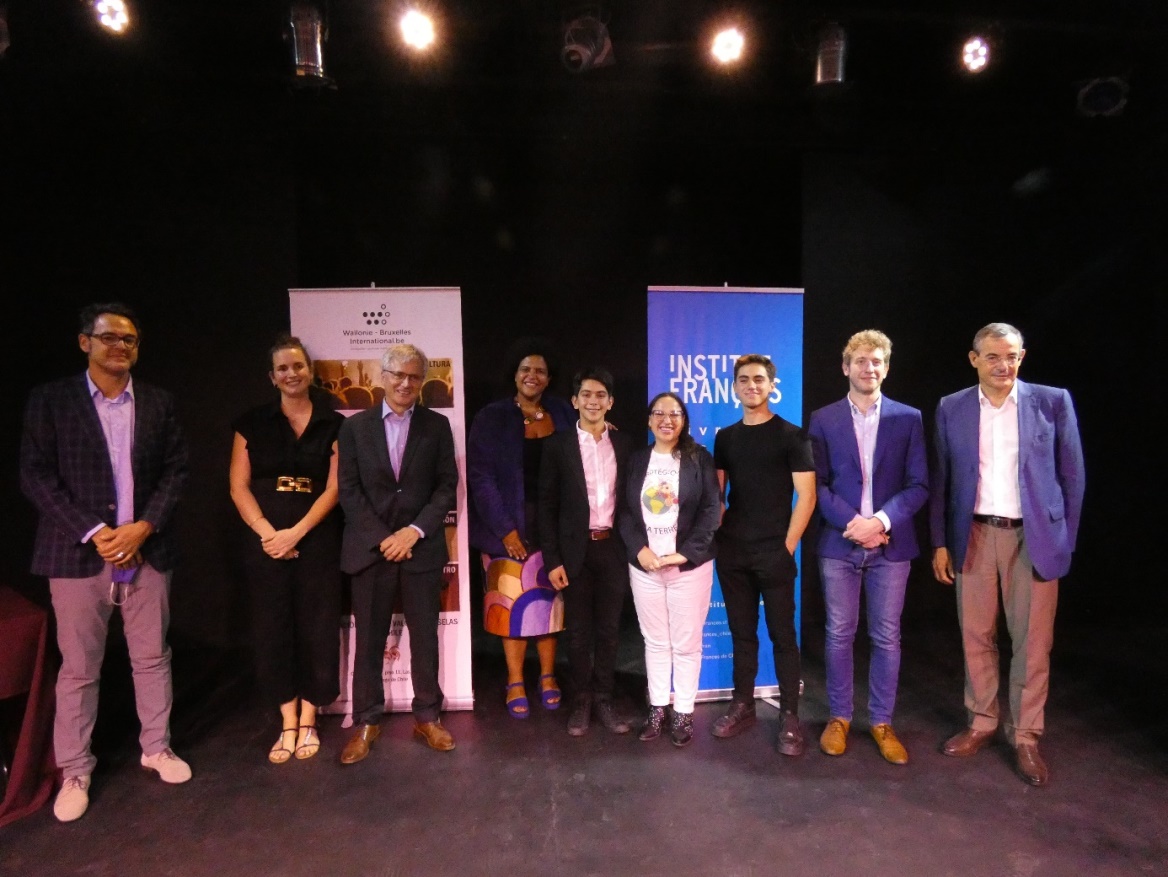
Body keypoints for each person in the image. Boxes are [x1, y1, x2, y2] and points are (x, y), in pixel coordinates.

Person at [20, 302, 190, 823]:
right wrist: (96, 532)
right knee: (78, 668)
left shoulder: (159, 403)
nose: (121, 346)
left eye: (131, 339)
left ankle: (156, 747)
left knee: (152, 657)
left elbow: (177, 471)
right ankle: (75, 768)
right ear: (84, 342)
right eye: (110, 337)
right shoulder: (51, 401)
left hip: (147, 549)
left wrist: (144, 526)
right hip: (76, 555)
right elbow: (36, 476)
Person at [930, 322, 1084, 787]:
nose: (1005, 365)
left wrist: (1065, 541)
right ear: (974, 359)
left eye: (1013, 356)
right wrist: (940, 541)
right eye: (994, 356)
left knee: (1033, 643)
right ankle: (982, 722)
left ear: (1023, 357)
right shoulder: (951, 407)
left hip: (1033, 538)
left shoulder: (1052, 401)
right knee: (976, 634)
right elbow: (942, 480)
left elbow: (1073, 477)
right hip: (974, 533)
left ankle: (1026, 736)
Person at [808, 330, 928, 764]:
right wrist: (854, 524)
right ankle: (839, 717)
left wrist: (879, 522)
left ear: (886, 367)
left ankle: (881, 722)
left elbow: (919, 485)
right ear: (846, 367)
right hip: (839, 544)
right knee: (839, 634)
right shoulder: (822, 419)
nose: (869, 368)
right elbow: (816, 486)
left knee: (886, 637)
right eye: (860, 361)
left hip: (891, 546)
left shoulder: (908, 417)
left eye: (876, 361)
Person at [337, 343, 459, 762]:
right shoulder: (354, 428)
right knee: (368, 641)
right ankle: (366, 722)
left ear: (422, 382)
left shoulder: (437, 426)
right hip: (371, 552)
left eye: (414, 377)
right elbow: (349, 491)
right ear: (381, 376)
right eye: (398, 375)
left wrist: (412, 532)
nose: (406, 383)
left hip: (420, 549)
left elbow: (446, 486)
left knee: (425, 639)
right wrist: (384, 538)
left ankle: (428, 717)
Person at [228, 334, 344, 764]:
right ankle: (287, 720)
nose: (291, 374)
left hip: (316, 539)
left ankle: (311, 717)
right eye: (282, 368)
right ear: (271, 376)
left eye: (298, 366)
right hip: (264, 544)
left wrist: (295, 533)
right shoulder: (250, 423)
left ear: (310, 372)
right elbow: (238, 486)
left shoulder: (335, 425)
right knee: (272, 627)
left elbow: (335, 488)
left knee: (317, 624)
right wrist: (268, 534)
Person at [710, 354, 816, 756]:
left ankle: (789, 714)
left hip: (774, 551)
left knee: (783, 636)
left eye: (758, 379)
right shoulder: (726, 438)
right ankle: (743, 705)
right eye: (743, 379)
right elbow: (717, 498)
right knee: (742, 634)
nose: (751, 385)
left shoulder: (792, 435)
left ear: (772, 385)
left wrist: (786, 547)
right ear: (734, 387)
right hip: (733, 552)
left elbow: (806, 497)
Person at [467, 339, 574, 719]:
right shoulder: (491, 417)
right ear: (514, 375)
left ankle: (547, 677)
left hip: (553, 526)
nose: (533, 376)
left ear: (549, 379)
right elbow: (480, 477)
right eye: (526, 369)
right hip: (504, 526)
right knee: (510, 607)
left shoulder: (563, 413)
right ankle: (515, 679)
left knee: (549, 607)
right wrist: (505, 531)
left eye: (540, 371)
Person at [619, 392, 720, 747]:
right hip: (645, 566)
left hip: (687, 568)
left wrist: (686, 554)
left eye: (674, 413)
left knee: (687, 644)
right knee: (655, 641)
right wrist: (639, 550)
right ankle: (658, 708)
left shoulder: (699, 459)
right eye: (659, 413)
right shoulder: (636, 460)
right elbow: (625, 512)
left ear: (683, 420)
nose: (666, 419)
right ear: (649, 420)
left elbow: (712, 510)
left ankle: (684, 712)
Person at [538, 367, 634, 736]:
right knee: (577, 632)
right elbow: (546, 507)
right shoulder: (557, 446)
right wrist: (552, 559)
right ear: (574, 401)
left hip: (613, 548)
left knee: (610, 630)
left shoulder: (625, 445)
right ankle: (581, 700)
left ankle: (604, 697)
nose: (593, 401)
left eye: (601, 395)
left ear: (610, 402)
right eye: (586, 395)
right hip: (574, 552)